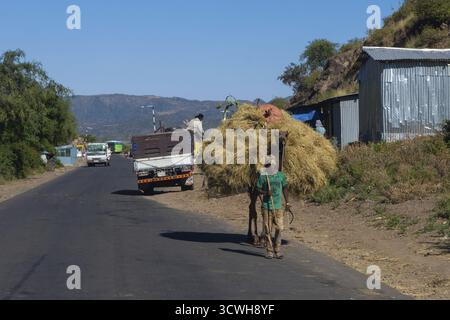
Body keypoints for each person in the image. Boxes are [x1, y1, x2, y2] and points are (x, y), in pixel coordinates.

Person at [257, 156, 290, 260]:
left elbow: (285, 188)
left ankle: (277, 250)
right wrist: (266, 193)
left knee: (279, 228)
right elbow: (258, 189)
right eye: (267, 165)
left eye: (270, 165)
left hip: (278, 207)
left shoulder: (280, 175)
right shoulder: (263, 176)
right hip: (267, 207)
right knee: (268, 230)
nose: (268, 167)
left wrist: (287, 202)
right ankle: (270, 251)